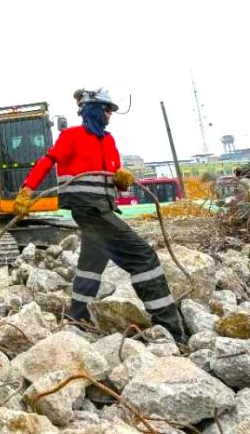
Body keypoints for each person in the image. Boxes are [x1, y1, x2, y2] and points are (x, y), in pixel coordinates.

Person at [13, 88, 187, 343]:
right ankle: (170, 329)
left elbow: (114, 178)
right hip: (87, 208)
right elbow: (47, 161)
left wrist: (122, 179)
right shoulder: (71, 136)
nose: (109, 116)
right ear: (93, 110)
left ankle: (77, 315)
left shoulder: (108, 141)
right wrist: (27, 190)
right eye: (107, 110)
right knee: (143, 257)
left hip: (103, 208)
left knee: (91, 264)